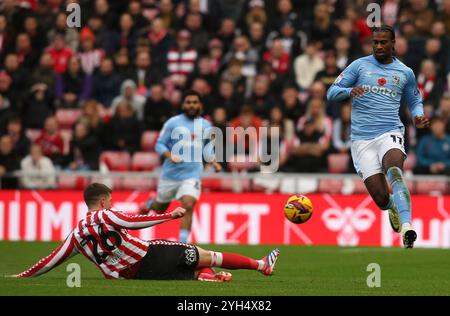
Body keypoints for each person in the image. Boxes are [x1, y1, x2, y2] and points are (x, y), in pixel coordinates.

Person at [11, 183, 280, 282]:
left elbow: (50, 261)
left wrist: (20, 275)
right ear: (104, 200)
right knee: (206, 255)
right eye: (111, 200)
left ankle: (206, 279)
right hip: (148, 257)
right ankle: (260, 265)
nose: (112, 204)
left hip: (129, 277)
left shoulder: (76, 234)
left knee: (191, 269)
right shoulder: (107, 214)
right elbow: (133, 222)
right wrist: (169, 215)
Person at [327, 25, 430, 249]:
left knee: (394, 170)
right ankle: (393, 206)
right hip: (362, 140)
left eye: (384, 42)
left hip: (390, 132)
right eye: (376, 42)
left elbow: (414, 100)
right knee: (381, 199)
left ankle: (407, 227)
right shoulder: (359, 66)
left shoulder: (405, 72)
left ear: (393, 44)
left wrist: (418, 116)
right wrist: (349, 91)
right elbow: (331, 92)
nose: (379, 46)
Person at [140, 91, 222, 243]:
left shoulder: (206, 125)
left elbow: (208, 148)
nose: (192, 105)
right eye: (188, 102)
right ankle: (151, 203)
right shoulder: (173, 123)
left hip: (192, 174)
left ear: (200, 105)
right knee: (160, 209)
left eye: (195, 102)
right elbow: (159, 143)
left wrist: (213, 161)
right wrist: (169, 155)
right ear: (183, 104)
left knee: (188, 204)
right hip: (170, 174)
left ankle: (183, 243)